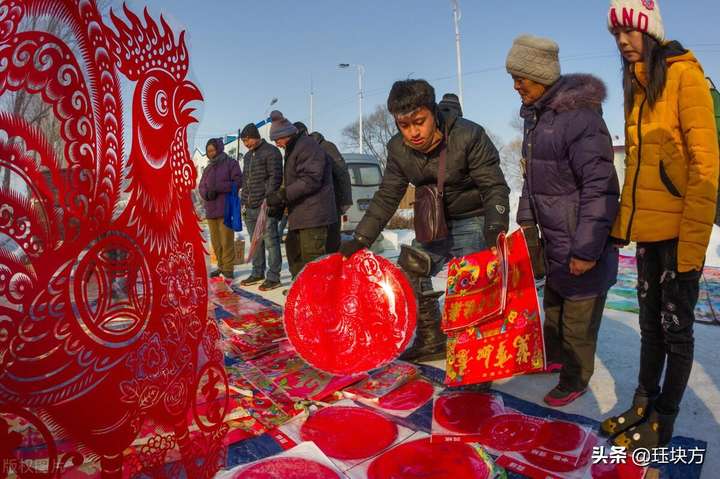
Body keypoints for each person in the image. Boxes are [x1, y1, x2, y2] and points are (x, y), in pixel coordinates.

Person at [600, 0, 719, 451]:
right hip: (650, 233)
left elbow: (705, 170)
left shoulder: (684, 76)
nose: (624, 42)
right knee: (651, 328)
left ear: (651, 32)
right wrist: (621, 224)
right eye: (616, 35)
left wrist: (691, 252)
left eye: (631, 32)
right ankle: (642, 403)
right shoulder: (636, 82)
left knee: (677, 330)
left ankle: (663, 420)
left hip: (681, 234)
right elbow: (638, 166)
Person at [340, 79, 510, 362]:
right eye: (404, 126)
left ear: (433, 113)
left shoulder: (469, 135)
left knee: (471, 287)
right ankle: (432, 339)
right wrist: (360, 239)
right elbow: (386, 196)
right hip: (432, 221)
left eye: (419, 122)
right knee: (410, 272)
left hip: (473, 218)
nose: (413, 132)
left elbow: (494, 187)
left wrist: (495, 227)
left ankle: (476, 357)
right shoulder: (398, 149)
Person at [507, 35, 620, 407]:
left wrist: (587, 248)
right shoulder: (538, 120)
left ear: (541, 75)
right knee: (554, 310)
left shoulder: (580, 118)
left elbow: (600, 187)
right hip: (556, 240)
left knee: (578, 322)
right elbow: (532, 178)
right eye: (513, 78)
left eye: (521, 77)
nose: (516, 85)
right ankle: (553, 359)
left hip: (581, 242)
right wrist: (526, 227)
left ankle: (574, 379)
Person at [266, 111, 337, 280]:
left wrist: (283, 195)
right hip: (300, 216)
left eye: (277, 140)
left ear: (286, 134)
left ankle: (316, 301)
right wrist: (280, 205)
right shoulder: (293, 149)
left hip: (314, 216)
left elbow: (311, 179)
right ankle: (302, 293)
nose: (277, 144)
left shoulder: (307, 146)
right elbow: (293, 182)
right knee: (294, 254)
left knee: (312, 262)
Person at [239, 123, 284, 291]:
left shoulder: (271, 152)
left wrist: (268, 198)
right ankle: (258, 272)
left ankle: (273, 276)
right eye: (243, 141)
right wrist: (244, 199)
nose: (246, 144)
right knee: (255, 242)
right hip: (249, 205)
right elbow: (245, 179)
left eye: (247, 140)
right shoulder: (248, 156)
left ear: (255, 136)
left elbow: (276, 177)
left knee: (271, 240)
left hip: (264, 204)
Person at [198, 138, 243, 280]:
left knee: (226, 240)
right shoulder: (208, 168)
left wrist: (218, 187)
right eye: (208, 151)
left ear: (219, 149)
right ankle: (220, 266)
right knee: (216, 243)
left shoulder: (231, 164)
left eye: (212, 150)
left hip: (226, 208)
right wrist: (206, 193)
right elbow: (201, 186)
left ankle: (228, 268)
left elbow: (237, 182)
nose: (210, 153)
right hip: (211, 209)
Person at [310, 130, 353, 253]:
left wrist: (346, 200)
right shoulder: (309, 149)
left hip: (332, 201)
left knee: (331, 242)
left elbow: (342, 172)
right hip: (318, 205)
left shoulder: (327, 147)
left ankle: (333, 268)